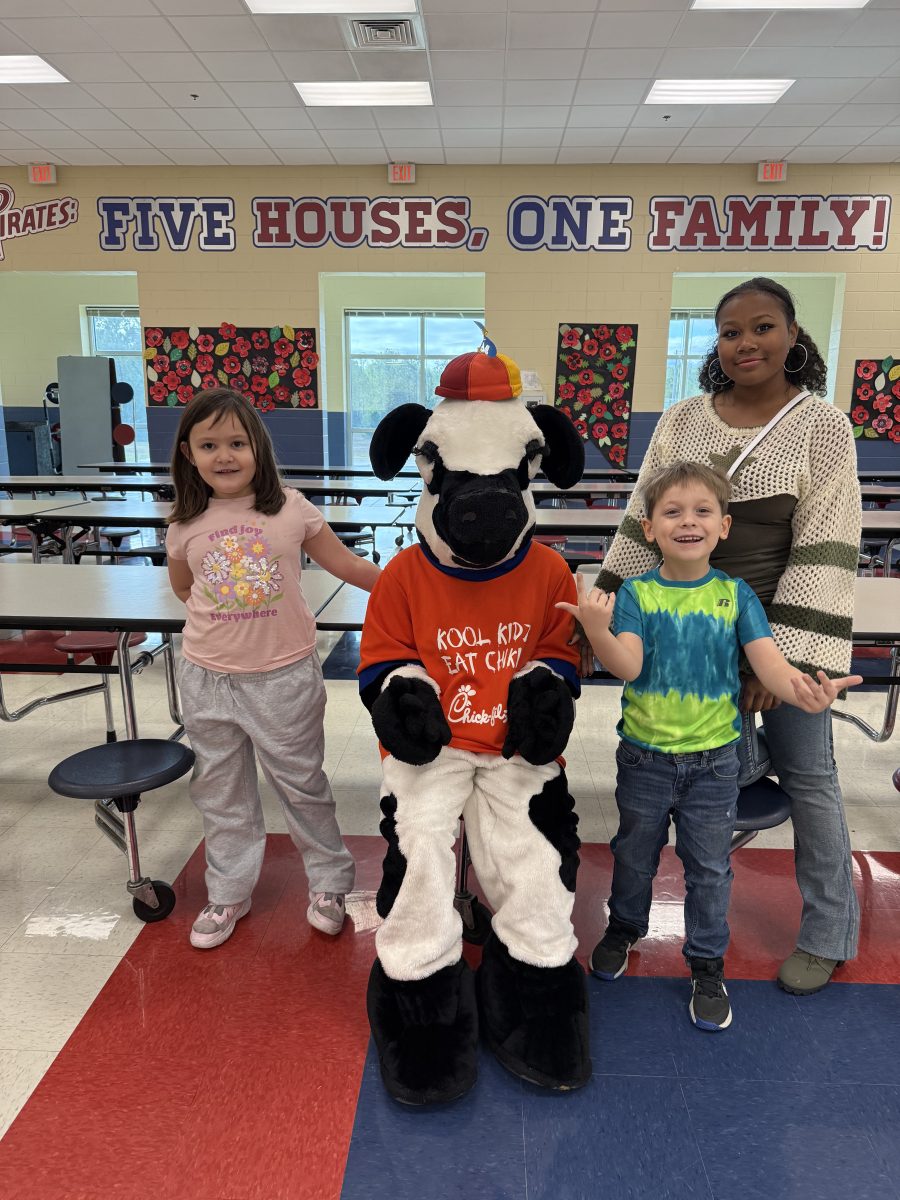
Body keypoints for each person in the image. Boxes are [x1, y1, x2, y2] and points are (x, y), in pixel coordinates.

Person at [585, 276, 863, 996]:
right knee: (689, 750)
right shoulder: (683, 419)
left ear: (793, 335)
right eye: (732, 331)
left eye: (763, 327)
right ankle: (738, 763)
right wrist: (606, 605)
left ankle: (829, 933)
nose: (747, 343)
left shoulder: (822, 425)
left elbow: (827, 544)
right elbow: (642, 519)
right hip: (685, 628)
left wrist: (780, 664)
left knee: (810, 777)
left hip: (775, 632)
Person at [559, 461, 862, 1030]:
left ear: (723, 527)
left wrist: (804, 691)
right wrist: (597, 630)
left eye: (702, 511)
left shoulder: (736, 595)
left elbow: (769, 666)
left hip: (715, 765)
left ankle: (705, 963)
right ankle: (624, 928)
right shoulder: (638, 594)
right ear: (649, 528)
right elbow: (630, 666)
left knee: (709, 869)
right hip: (645, 760)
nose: (688, 521)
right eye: (672, 512)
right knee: (634, 853)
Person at [166, 388, 380, 949]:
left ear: (258, 447)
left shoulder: (290, 507)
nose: (224, 455)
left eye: (237, 443)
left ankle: (330, 884)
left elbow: (348, 565)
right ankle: (228, 892)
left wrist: (420, 588)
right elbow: (185, 587)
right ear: (189, 453)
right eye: (209, 445)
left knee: (302, 785)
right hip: (207, 678)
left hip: (283, 677)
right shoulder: (184, 522)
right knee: (221, 792)